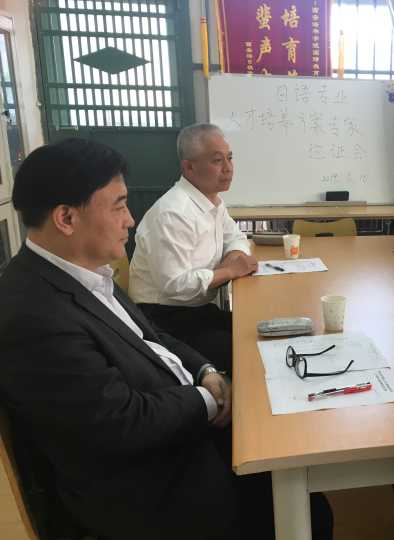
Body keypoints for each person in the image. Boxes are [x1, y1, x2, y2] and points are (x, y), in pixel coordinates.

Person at [0, 138, 332, 540]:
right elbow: (123, 423)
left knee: (285, 441)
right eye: (119, 206)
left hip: (173, 426)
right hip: (151, 487)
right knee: (305, 506)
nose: (130, 220)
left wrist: (206, 371)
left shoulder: (82, 271)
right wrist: (211, 398)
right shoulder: (35, 313)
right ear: (67, 218)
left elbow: (151, 336)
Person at [129, 123, 257, 374]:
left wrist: (233, 260)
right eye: (217, 160)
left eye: (230, 158)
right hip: (164, 320)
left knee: (259, 330)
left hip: (197, 310)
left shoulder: (212, 200)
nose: (228, 168)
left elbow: (236, 238)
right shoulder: (173, 213)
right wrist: (229, 271)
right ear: (189, 167)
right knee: (249, 352)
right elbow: (174, 285)